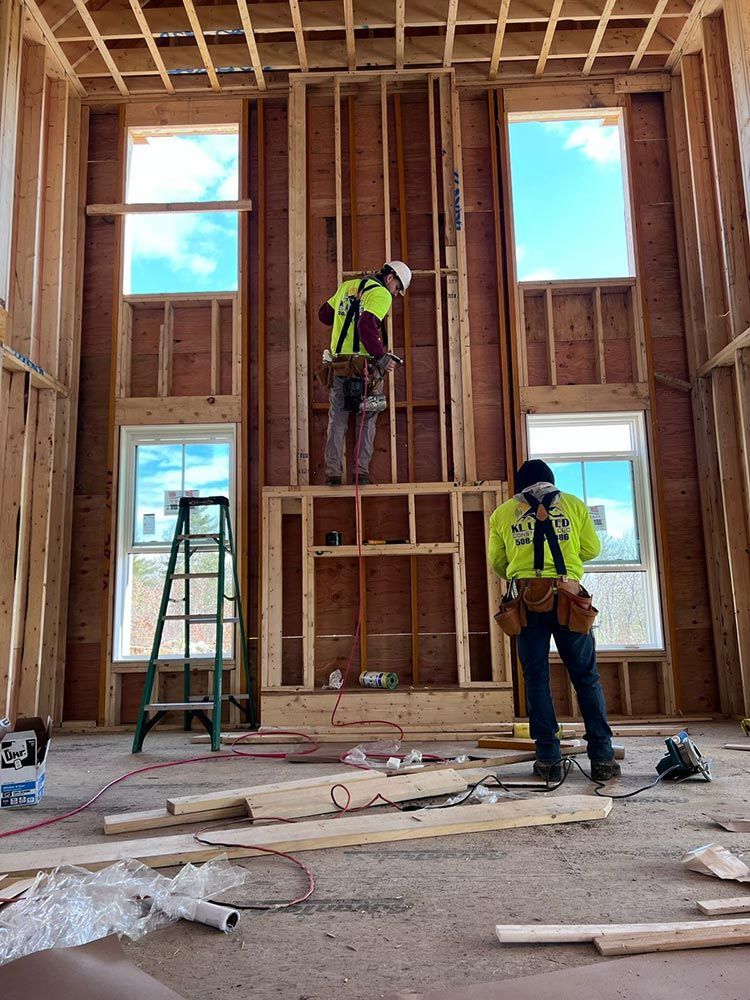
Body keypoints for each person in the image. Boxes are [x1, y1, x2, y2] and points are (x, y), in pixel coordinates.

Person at [487, 459, 621, 783]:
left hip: (528, 602)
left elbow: (499, 564)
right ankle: (602, 758)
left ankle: (548, 759)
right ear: (551, 482)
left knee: (536, 679)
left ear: (520, 486)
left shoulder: (503, 513)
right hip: (569, 599)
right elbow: (591, 548)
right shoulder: (574, 506)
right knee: (586, 678)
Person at [318, 261, 411, 486]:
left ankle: (333, 473)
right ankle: (361, 473)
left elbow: (324, 315)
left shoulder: (347, 286)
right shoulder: (381, 294)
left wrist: (347, 309)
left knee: (337, 419)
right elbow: (366, 325)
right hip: (364, 367)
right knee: (367, 418)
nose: (396, 294)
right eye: (398, 288)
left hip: (339, 365)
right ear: (390, 278)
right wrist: (382, 358)